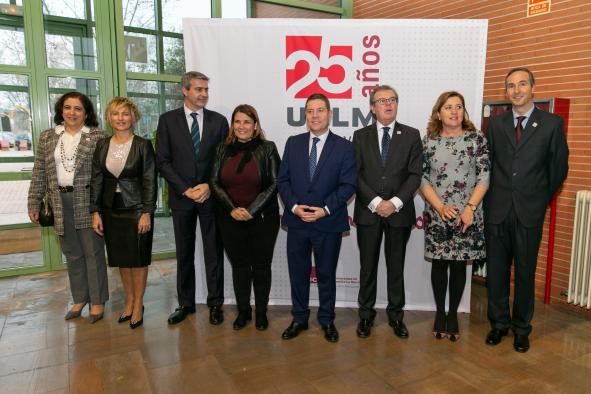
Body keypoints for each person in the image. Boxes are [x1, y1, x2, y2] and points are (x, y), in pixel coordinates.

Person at [485, 67, 569, 353]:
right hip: (497, 211)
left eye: (522, 84)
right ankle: (498, 324)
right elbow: (489, 166)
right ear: (506, 91)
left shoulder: (552, 124)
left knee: (524, 272)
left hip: (529, 212)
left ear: (533, 88)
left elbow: (558, 169)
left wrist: (539, 197)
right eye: (510, 86)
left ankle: (521, 328)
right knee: (496, 272)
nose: (516, 90)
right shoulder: (496, 125)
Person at [277, 93, 356, 343]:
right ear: (305, 115)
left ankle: (327, 320)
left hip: (328, 222)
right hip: (298, 222)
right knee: (298, 273)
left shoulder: (344, 147)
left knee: (326, 274)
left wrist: (325, 210)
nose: (315, 115)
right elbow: (283, 180)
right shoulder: (293, 143)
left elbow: (348, 185)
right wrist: (293, 206)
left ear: (329, 114)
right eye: (310, 111)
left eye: (320, 110)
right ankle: (299, 318)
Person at [27, 92, 108, 323]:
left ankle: (98, 301)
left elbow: (104, 175)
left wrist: (99, 209)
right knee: (72, 254)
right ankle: (80, 298)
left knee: (93, 254)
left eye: (78, 108)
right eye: (67, 107)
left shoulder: (98, 136)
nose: (72, 113)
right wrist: (33, 202)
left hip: (88, 203)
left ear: (86, 112)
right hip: (59, 203)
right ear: (61, 110)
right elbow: (39, 172)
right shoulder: (48, 137)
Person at [156, 71, 229, 325]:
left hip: (211, 197)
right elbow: (162, 161)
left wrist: (209, 186)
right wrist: (186, 189)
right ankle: (185, 303)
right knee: (184, 253)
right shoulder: (167, 121)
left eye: (206, 90)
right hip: (182, 198)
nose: (204, 95)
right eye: (199, 89)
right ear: (184, 90)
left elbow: (224, 160)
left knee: (213, 253)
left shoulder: (219, 122)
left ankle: (215, 303)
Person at [352, 85, 422, 339]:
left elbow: (415, 175)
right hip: (368, 213)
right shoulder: (360, 136)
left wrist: (394, 202)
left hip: (399, 213)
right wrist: (374, 202)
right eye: (382, 101)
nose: (388, 104)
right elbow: (355, 174)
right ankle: (366, 316)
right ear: (372, 107)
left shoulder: (412, 135)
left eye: (392, 100)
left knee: (396, 267)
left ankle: (396, 316)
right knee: (367, 267)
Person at [420, 91, 490, 341]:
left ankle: (452, 314)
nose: (454, 111)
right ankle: (440, 313)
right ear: (439, 113)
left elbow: (484, 176)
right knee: (439, 264)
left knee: (460, 265)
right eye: (448, 107)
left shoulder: (476, 139)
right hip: (438, 213)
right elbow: (422, 177)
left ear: (464, 112)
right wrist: (439, 207)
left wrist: (470, 207)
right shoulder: (428, 141)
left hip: (467, 214)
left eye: (458, 106)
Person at [210, 104, 280, 331]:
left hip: (262, 219)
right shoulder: (222, 149)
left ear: (255, 125)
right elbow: (214, 182)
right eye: (237, 122)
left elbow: (274, 184)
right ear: (232, 125)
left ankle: (261, 313)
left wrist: (252, 209)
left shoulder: (268, 148)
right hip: (230, 219)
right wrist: (232, 208)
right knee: (239, 267)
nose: (242, 126)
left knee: (261, 267)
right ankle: (243, 312)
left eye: (247, 122)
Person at [90, 97, 157, 329]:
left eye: (125, 114)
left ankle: (139, 303)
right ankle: (128, 301)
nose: (120, 118)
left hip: (137, 209)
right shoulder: (102, 145)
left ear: (134, 117)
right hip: (111, 210)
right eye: (115, 114)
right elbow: (97, 179)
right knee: (122, 260)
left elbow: (150, 181)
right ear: (109, 118)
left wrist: (147, 211)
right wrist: (95, 211)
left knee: (138, 260)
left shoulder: (143, 145)